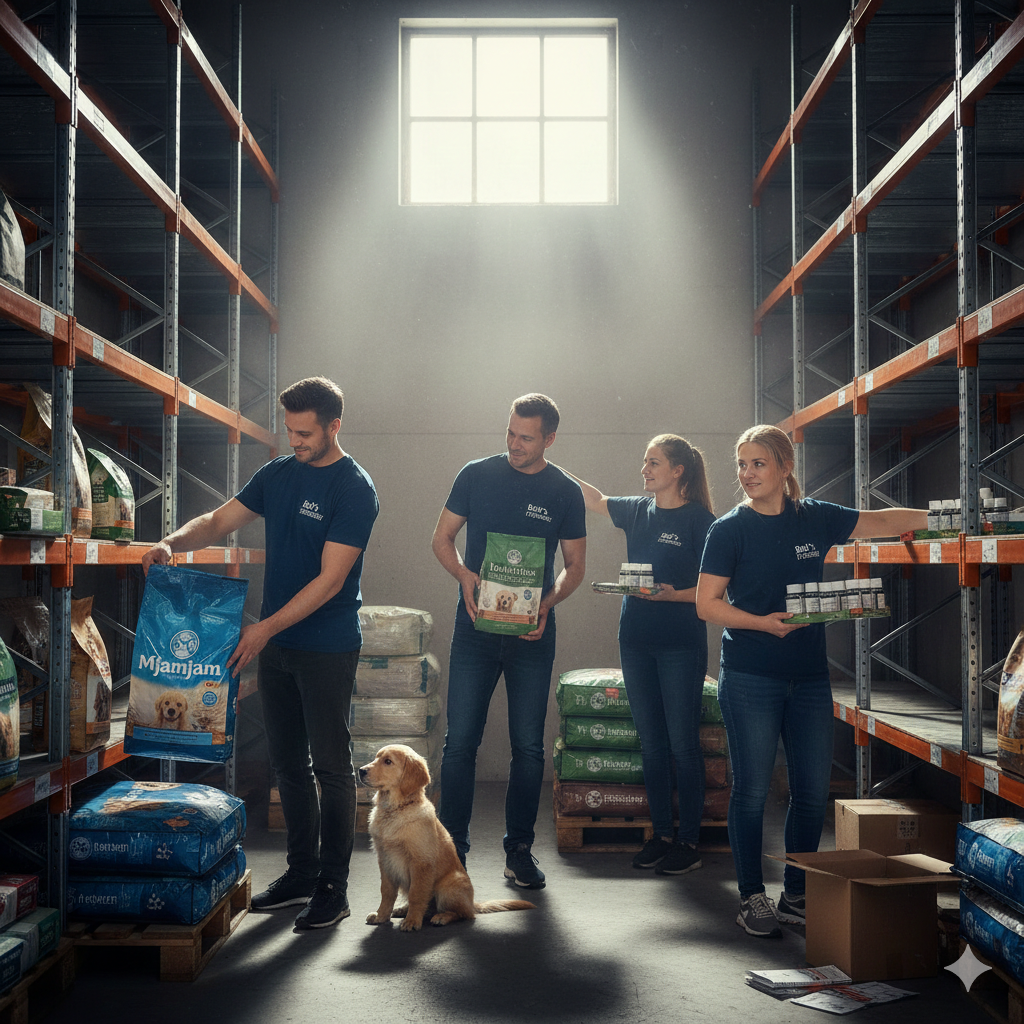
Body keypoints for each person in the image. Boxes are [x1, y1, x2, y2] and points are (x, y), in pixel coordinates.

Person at [142, 376, 379, 930]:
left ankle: (333, 888)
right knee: (287, 765)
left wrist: (264, 628)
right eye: (289, 431)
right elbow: (219, 520)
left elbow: (330, 580)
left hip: (327, 647)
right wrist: (170, 543)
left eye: (304, 433)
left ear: (333, 426)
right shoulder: (279, 473)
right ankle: (300, 874)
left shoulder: (354, 488)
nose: (294, 441)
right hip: (278, 644)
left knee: (330, 766)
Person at [695, 424, 926, 938]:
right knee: (752, 791)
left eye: (757, 463)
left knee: (809, 791)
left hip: (809, 679)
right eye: (741, 464)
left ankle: (795, 893)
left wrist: (946, 520)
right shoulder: (729, 529)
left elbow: (882, 520)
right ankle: (751, 896)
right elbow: (706, 604)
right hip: (751, 675)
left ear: (784, 467)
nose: (746, 474)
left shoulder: (815, 517)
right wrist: (762, 623)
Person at [432, 393, 586, 888]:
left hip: (532, 634)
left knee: (529, 748)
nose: (514, 444)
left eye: (526, 437)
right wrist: (462, 575)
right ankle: (451, 851)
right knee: (459, 746)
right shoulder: (475, 474)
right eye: (510, 433)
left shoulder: (565, 491)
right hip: (474, 631)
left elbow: (576, 567)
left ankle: (519, 850)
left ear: (549, 439)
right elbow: (441, 538)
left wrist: (547, 603)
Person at [568, 435, 715, 876]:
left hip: (680, 644)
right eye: (644, 462)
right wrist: (548, 463)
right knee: (652, 744)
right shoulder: (636, 509)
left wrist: (672, 596)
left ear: (678, 471)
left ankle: (688, 841)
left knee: (682, 745)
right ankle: (663, 835)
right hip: (634, 639)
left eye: (654, 463)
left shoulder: (701, 521)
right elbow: (593, 499)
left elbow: (716, 590)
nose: (645, 470)